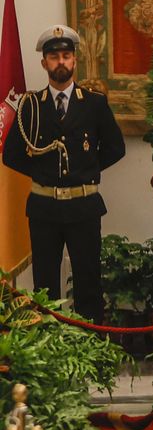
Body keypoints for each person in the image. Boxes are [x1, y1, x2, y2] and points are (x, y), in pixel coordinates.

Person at [1, 25, 125, 321]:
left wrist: (86, 170)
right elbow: (11, 155)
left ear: (74, 60)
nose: (61, 62)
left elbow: (115, 148)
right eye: (54, 56)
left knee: (88, 283)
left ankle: (90, 342)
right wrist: (43, 173)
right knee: (45, 287)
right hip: (44, 208)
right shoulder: (30, 106)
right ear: (44, 63)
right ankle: (50, 342)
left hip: (84, 206)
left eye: (66, 56)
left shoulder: (94, 104)